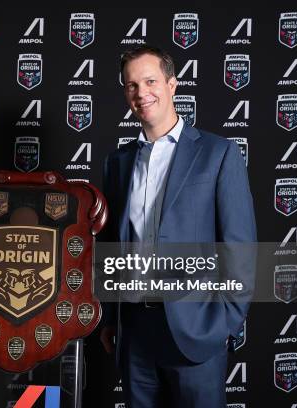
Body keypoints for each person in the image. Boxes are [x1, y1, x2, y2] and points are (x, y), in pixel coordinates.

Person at [99, 45, 256, 408]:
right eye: (131, 85)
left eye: (151, 81)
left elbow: (239, 247)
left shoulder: (218, 154)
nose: (141, 93)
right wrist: (110, 317)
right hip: (135, 331)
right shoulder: (117, 163)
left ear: (173, 85)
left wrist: (224, 323)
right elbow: (110, 245)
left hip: (196, 329)